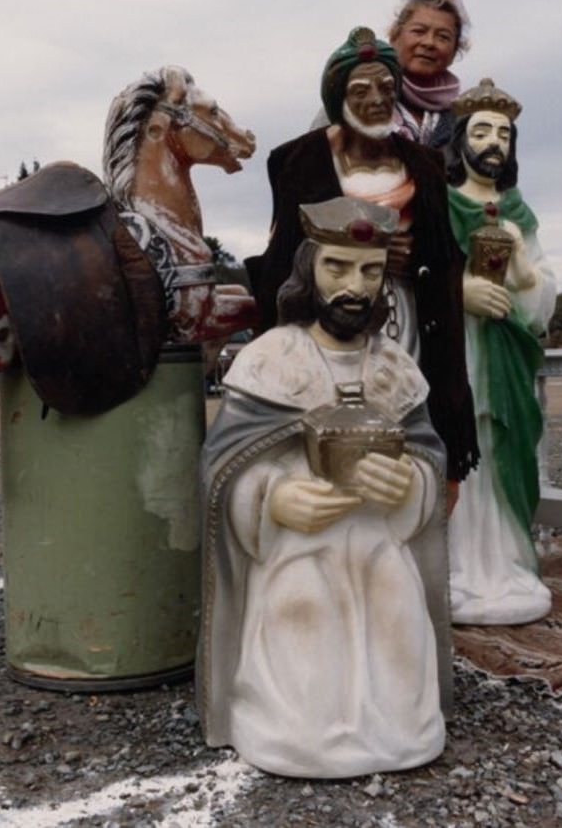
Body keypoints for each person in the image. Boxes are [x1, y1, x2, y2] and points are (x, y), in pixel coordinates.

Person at [199, 196, 450, 777]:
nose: (354, 287)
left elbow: (427, 458)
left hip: (378, 541)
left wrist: (408, 484)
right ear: (309, 269)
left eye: (369, 270)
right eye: (337, 267)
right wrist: (273, 496)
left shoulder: (399, 369)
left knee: (396, 610)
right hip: (295, 548)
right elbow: (223, 466)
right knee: (303, 608)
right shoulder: (269, 360)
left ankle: (402, 729)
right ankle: (300, 734)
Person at [246, 26, 479, 499]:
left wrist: (416, 260)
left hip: (409, 312)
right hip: (330, 313)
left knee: (404, 405)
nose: (377, 99)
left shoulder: (424, 164)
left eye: (387, 89)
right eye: (360, 90)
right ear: (337, 98)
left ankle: (410, 505)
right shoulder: (296, 161)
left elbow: (445, 251)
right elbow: (282, 252)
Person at [443, 78, 557, 625]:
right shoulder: (442, 204)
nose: (493, 142)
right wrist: (458, 291)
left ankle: (508, 565)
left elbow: (540, 296)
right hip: (458, 350)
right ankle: (458, 569)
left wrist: (522, 268)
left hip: (505, 352)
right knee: (462, 449)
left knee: (504, 449)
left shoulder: (518, 211)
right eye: (482, 131)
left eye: (504, 134)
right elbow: (420, 273)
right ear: (460, 139)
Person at [387, 0, 472, 147]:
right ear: (395, 36)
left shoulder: (468, 123)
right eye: (419, 31)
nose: (429, 43)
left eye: (443, 37)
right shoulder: (356, 100)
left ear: (455, 51)